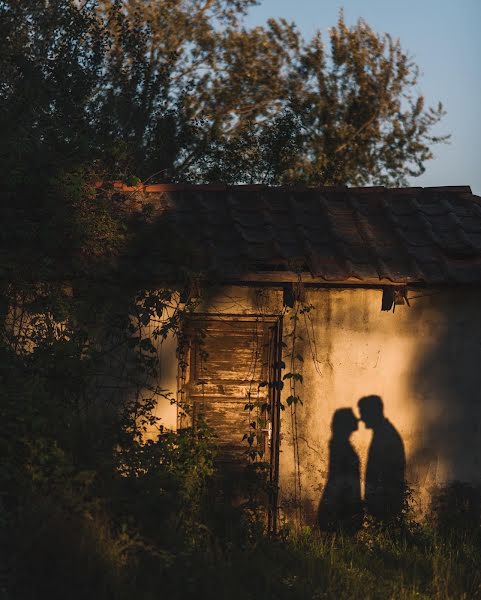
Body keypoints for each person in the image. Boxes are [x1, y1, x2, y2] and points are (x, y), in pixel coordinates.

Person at [358, 395, 406, 520]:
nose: (361, 418)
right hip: (384, 501)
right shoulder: (383, 432)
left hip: (385, 503)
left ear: (373, 412)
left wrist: (373, 499)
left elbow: (383, 473)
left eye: (363, 413)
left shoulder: (385, 435)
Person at [318, 408, 363, 533]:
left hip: (341, 500)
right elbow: (341, 477)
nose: (357, 420)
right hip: (341, 502)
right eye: (352, 418)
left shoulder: (340, 444)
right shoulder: (340, 446)